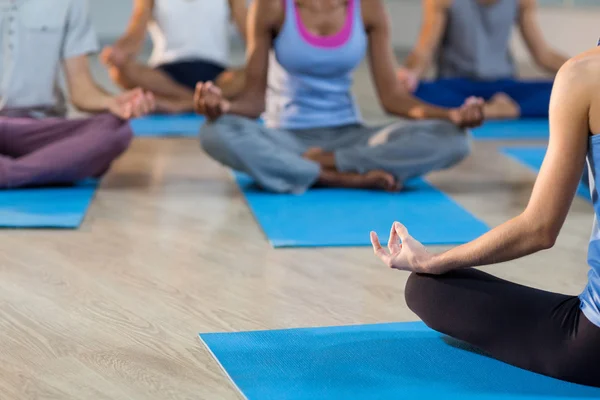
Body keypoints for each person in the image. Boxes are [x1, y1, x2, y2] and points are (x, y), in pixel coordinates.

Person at [370, 46, 600, 387]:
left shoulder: (583, 74)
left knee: (425, 290)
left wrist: (433, 261)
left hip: (592, 345)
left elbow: (539, 229)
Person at [193, 0, 484, 194]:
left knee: (456, 140)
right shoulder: (271, 6)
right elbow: (254, 101)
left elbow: (393, 98)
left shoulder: (367, 8)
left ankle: (327, 162)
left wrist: (450, 116)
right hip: (284, 137)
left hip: (349, 134)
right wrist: (224, 107)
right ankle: (332, 175)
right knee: (214, 133)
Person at [0, 0, 155, 188]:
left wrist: (113, 103)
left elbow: (81, 90)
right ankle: (51, 167)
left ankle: (11, 173)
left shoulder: (71, 3)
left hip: (41, 128)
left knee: (117, 130)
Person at [398, 0, 569, 119]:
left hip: (504, 87)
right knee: (413, 94)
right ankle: (501, 110)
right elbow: (424, 51)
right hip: (457, 86)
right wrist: (410, 74)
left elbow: (543, 56)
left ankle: (490, 110)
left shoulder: (521, 2)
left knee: (562, 93)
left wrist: (585, 72)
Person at [101, 0, 248, 114]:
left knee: (259, 71)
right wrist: (118, 51)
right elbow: (135, 31)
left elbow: (250, 36)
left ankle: (180, 104)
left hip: (217, 77)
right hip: (165, 76)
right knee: (119, 70)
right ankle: (199, 101)